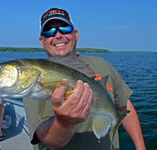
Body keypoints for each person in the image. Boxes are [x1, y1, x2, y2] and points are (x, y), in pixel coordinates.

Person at [23, 8, 146, 150]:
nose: (58, 35)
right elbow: (47, 140)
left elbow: (124, 105)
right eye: (49, 32)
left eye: (64, 28)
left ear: (75, 34)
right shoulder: (33, 81)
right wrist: (65, 122)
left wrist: (140, 147)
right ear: (41, 41)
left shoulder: (103, 64)